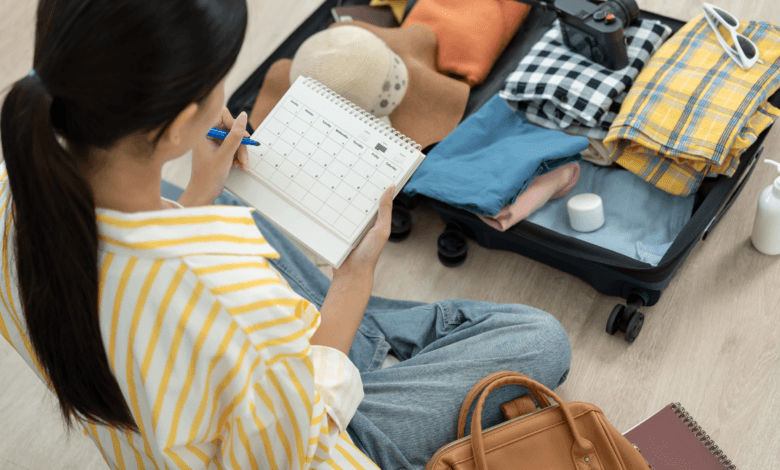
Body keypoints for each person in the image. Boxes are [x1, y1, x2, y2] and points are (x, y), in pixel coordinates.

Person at [0, 1, 572, 469]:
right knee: (537, 337)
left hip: (187, 430)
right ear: (176, 126)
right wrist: (352, 282)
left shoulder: (15, 185)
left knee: (228, 201)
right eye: (218, 84)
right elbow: (292, 444)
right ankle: (362, 345)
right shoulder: (227, 293)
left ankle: (362, 345)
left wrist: (197, 197)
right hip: (314, 443)